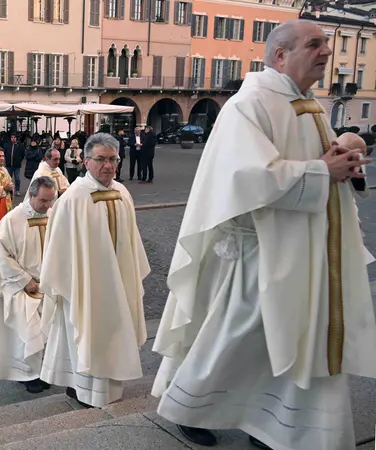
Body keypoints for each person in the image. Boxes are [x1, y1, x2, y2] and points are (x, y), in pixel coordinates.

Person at [151, 20, 376, 450]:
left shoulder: (308, 103)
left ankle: (275, 425)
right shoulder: (249, 103)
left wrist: (340, 158)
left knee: (298, 334)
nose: (326, 52)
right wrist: (320, 170)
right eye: (315, 44)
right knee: (239, 334)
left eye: (327, 44)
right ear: (279, 55)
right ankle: (188, 406)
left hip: (306, 245)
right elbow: (244, 176)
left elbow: (318, 162)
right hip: (261, 249)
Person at [39, 133, 150, 408]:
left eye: (113, 159)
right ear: (86, 161)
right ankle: (83, 390)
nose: (108, 166)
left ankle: (107, 388)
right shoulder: (74, 198)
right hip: (83, 286)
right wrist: (72, 281)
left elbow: (131, 241)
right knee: (85, 335)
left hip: (119, 283)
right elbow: (58, 247)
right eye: (101, 159)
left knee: (113, 332)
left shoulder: (122, 193)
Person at [0, 176, 57, 394]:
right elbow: (2, 255)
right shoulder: (12, 220)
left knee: (48, 331)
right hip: (20, 287)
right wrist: (26, 281)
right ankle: (27, 374)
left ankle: (44, 371)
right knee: (28, 332)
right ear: (31, 195)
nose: (47, 206)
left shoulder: (52, 215)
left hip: (49, 286)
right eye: (43, 201)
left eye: (51, 200)